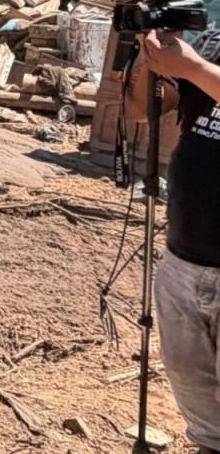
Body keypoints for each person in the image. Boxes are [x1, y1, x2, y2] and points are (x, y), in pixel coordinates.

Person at [127, 25, 220, 454]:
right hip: (184, 256)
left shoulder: (200, 59)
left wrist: (193, 67)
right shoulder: (213, 41)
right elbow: (141, 110)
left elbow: (198, 73)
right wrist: (154, 63)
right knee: (202, 412)